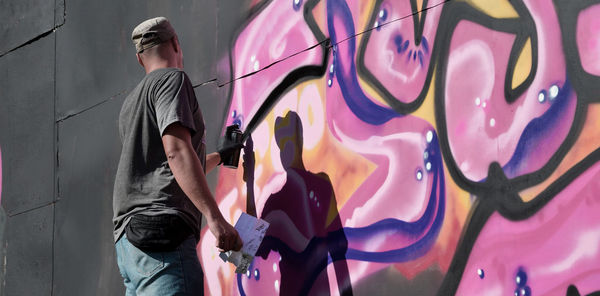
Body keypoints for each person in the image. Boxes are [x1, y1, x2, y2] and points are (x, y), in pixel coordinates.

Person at [112, 17, 242, 295]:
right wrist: (214, 218)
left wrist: (221, 155)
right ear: (175, 43)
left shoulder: (130, 104)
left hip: (130, 245)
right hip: (162, 236)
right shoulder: (172, 80)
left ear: (139, 59)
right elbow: (176, 152)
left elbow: (166, 168)